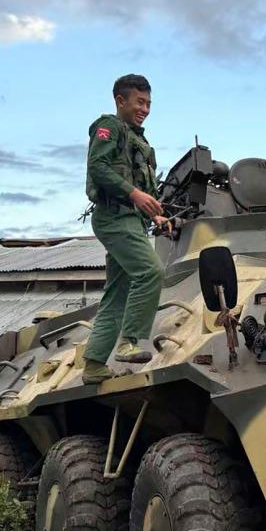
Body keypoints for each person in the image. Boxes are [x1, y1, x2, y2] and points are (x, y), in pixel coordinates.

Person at [82, 73, 170, 384]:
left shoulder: (140, 142)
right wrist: (134, 194)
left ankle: (93, 365)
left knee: (117, 294)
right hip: (114, 216)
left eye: (148, 103)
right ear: (121, 101)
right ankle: (131, 342)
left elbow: (144, 186)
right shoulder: (109, 127)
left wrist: (157, 215)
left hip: (132, 220)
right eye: (139, 102)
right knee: (150, 272)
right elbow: (98, 167)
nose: (145, 108)